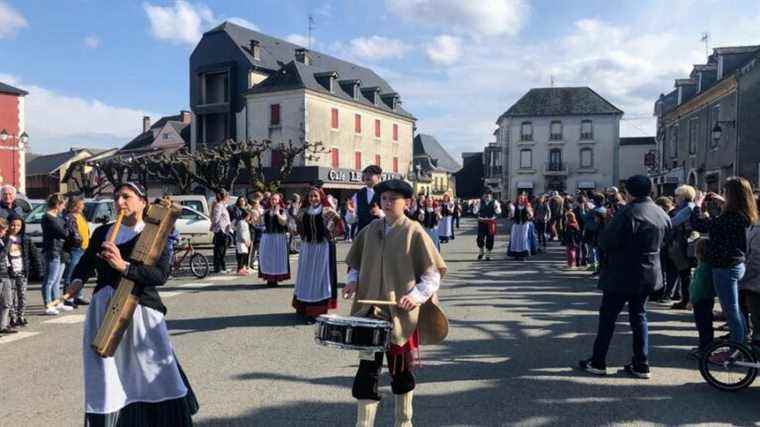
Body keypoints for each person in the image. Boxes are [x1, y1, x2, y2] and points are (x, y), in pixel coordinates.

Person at [70, 182, 198, 425]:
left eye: (126, 197)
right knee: (108, 373)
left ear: (142, 202)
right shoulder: (103, 232)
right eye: (117, 197)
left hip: (141, 310)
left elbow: (160, 276)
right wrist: (77, 280)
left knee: (152, 370)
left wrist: (123, 266)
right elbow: (86, 262)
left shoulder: (155, 234)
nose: (119, 202)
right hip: (104, 312)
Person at [343, 179, 447, 427]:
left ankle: (404, 422)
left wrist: (415, 297)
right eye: (384, 199)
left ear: (407, 203)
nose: (387, 203)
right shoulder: (369, 231)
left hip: (399, 315)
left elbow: (432, 276)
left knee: (400, 372)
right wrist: (352, 281)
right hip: (369, 313)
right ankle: (363, 425)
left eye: (393, 199)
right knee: (366, 372)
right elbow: (355, 264)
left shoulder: (415, 231)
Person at [579, 175, 671, 379]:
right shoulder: (661, 212)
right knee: (639, 316)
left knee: (608, 318)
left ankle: (598, 361)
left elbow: (606, 242)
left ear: (628, 192)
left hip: (622, 272)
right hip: (649, 272)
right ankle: (641, 363)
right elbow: (667, 238)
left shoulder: (627, 212)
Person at [691, 177, 758, 349]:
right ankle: (741, 344)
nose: (723, 195)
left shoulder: (729, 217)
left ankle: (737, 348)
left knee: (731, 311)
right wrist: (722, 202)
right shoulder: (746, 214)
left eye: (725, 192)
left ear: (732, 195)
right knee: (736, 309)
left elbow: (699, 224)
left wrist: (697, 205)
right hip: (737, 264)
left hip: (725, 267)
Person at [292, 187, 342, 323]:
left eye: (315, 196)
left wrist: (329, 231)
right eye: (310, 196)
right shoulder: (303, 211)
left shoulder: (327, 211)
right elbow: (298, 228)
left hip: (322, 247)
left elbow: (337, 225)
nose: (313, 199)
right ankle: (304, 307)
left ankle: (316, 311)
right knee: (306, 276)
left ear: (321, 197)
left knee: (319, 277)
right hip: (308, 247)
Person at [5, 213, 41, 328]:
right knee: (11, 297)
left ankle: (21, 316)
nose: (15, 228)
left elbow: (35, 254)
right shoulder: (4, 239)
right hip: (9, 272)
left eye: (18, 225)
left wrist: (39, 269)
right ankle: (13, 318)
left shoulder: (25, 239)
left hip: (22, 271)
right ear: (8, 225)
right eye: (12, 225)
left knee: (22, 295)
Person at [41, 194, 73, 315]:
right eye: (63, 204)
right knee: (49, 280)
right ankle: (48, 305)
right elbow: (63, 233)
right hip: (52, 250)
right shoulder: (48, 218)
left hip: (61, 250)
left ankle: (57, 302)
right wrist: (68, 227)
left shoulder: (58, 217)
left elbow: (66, 231)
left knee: (57, 280)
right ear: (57, 204)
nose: (64, 207)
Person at [667, 185, 697, 309]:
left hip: (686, 243)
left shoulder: (688, 208)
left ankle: (686, 300)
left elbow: (674, 222)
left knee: (685, 273)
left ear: (684, 196)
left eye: (677, 196)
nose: (675, 198)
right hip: (682, 242)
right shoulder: (683, 207)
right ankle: (685, 299)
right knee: (684, 273)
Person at [687, 238, 715, 359]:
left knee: (703, 326)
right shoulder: (709, 266)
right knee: (706, 325)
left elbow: (698, 288)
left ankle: (705, 349)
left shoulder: (703, 268)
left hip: (701, 300)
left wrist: (691, 301)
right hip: (708, 299)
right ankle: (705, 347)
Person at [62, 196, 90, 308]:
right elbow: (72, 233)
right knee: (71, 274)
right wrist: (77, 240)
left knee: (80, 273)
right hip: (75, 248)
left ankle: (78, 296)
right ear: (75, 205)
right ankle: (68, 297)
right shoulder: (69, 217)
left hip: (83, 248)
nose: (83, 206)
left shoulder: (80, 216)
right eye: (81, 204)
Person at [259, 193, 290, 286]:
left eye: (275, 199)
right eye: (272, 199)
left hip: (279, 237)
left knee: (278, 258)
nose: (273, 201)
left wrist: (277, 214)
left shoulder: (283, 211)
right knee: (268, 258)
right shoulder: (266, 211)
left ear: (279, 200)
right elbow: (260, 223)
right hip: (267, 237)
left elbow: (284, 222)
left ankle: (276, 278)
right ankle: (269, 278)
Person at [347, 165, 384, 233]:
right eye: (365, 174)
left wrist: (380, 213)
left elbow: (394, 216)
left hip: (380, 235)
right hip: (362, 235)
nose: (367, 176)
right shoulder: (357, 195)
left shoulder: (385, 193)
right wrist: (351, 212)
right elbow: (350, 221)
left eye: (370, 174)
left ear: (378, 176)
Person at [473, 189, 501, 261]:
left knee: (490, 238)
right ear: (483, 195)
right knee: (480, 238)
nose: (487, 195)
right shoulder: (479, 202)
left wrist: (496, 208)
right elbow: (475, 211)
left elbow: (498, 212)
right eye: (486, 194)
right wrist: (475, 206)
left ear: (491, 195)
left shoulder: (495, 202)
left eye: (489, 194)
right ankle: (481, 251)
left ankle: (488, 254)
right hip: (482, 221)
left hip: (491, 222)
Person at [210, 190, 232, 274]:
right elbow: (216, 218)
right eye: (227, 197)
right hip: (220, 230)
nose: (228, 199)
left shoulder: (222, 206)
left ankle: (223, 267)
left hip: (224, 230)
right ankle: (218, 268)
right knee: (219, 250)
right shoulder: (219, 206)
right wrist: (213, 226)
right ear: (225, 197)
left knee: (222, 250)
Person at [0, 218, 16, 334]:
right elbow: (1, 255)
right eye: (2, 230)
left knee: (7, 301)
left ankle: (3, 325)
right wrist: (9, 242)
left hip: (5, 273)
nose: (4, 232)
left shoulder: (2, 240)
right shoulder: (5, 242)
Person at [507, 193, 533, 261]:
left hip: (524, 224)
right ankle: (516, 255)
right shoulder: (514, 206)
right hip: (516, 225)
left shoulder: (527, 206)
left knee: (523, 239)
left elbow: (531, 215)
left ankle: (524, 255)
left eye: (522, 198)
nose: (520, 200)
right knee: (515, 239)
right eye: (519, 198)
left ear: (524, 199)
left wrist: (529, 213)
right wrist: (510, 214)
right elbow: (510, 216)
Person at [234, 209, 252, 276]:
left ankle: (242, 268)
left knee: (244, 255)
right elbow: (241, 233)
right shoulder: (241, 222)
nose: (249, 217)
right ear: (246, 216)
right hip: (241, 241)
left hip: (245, 241)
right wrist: (245, 241)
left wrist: (248, 240)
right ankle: (240, 269)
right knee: (241, 255)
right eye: (249, 216)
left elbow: (247, 233)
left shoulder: (245, 222)